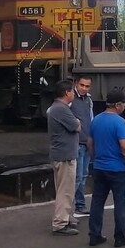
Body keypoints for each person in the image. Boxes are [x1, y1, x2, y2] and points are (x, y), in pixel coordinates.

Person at [87, 88, 125, 248]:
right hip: (118, 170)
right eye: (124, 104)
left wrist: (95, 159)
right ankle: (120, 237)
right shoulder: (120, 122)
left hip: (99, 168)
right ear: (117, 105)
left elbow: (90, 143)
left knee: (97, 202)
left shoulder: (96, 120)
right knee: (120, 203)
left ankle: (94, 235)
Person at [47, 79, 81, 236]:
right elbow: (76, 126)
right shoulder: (61, 109)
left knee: (64, 188)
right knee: (65, 190)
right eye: (72, 91)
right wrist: (78, 121)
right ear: (67, 92)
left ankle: (66, 217)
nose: (74, 94)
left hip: (61, 154)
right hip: (64, 156)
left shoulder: (56, 108)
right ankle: (60, 223)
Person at [71, 75, 93, 218]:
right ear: (76, 84)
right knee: (76, 177)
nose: (84, 88)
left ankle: (80, 205)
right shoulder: (70, 99)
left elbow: (91, 118)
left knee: (83, 175)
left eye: (87, 86)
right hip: (76, 143)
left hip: (87, 143)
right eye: (82, 85)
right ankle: (71, 208)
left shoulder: (89, 100)